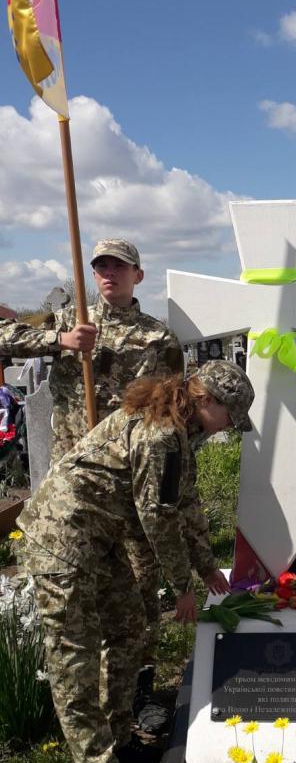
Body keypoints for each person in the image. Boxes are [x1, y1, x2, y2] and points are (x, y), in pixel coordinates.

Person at [18, 361, 254, 763]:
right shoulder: (160, 435)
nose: (229, 426)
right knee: (74, 655)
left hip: (101, 537)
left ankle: (119, 740)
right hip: (62, 539)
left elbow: (185, 504)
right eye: (230, 415)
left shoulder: (180, 433)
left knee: (129, 629)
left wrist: (206, 566)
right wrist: (182, 588)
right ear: (206, 399)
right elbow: (158, 518)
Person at [0, 239, 185, 723]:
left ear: (137, 275)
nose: (108, 273)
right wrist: (60, 342)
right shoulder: (71, 320)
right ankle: (91, 701)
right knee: (83, 595)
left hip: (128, 488)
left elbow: (172, 412)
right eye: (100, 265)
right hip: (77, 492)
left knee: (141, 589)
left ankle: (139, 691)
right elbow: (3, 336)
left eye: (118, 266)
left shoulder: (158, 338)